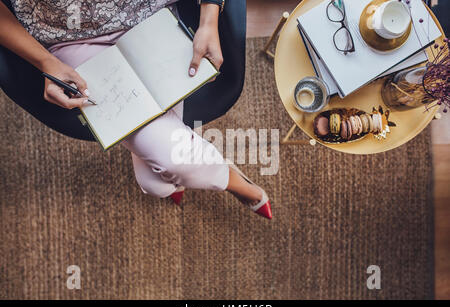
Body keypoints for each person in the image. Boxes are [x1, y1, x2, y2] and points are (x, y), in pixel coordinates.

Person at [0, 0, 272, 219]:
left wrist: (209, 19)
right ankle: (237, 184)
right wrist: (45, 62)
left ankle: (181, 181)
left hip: (151, 16)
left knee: (159, 181)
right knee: (169, 167)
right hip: (70, 40)